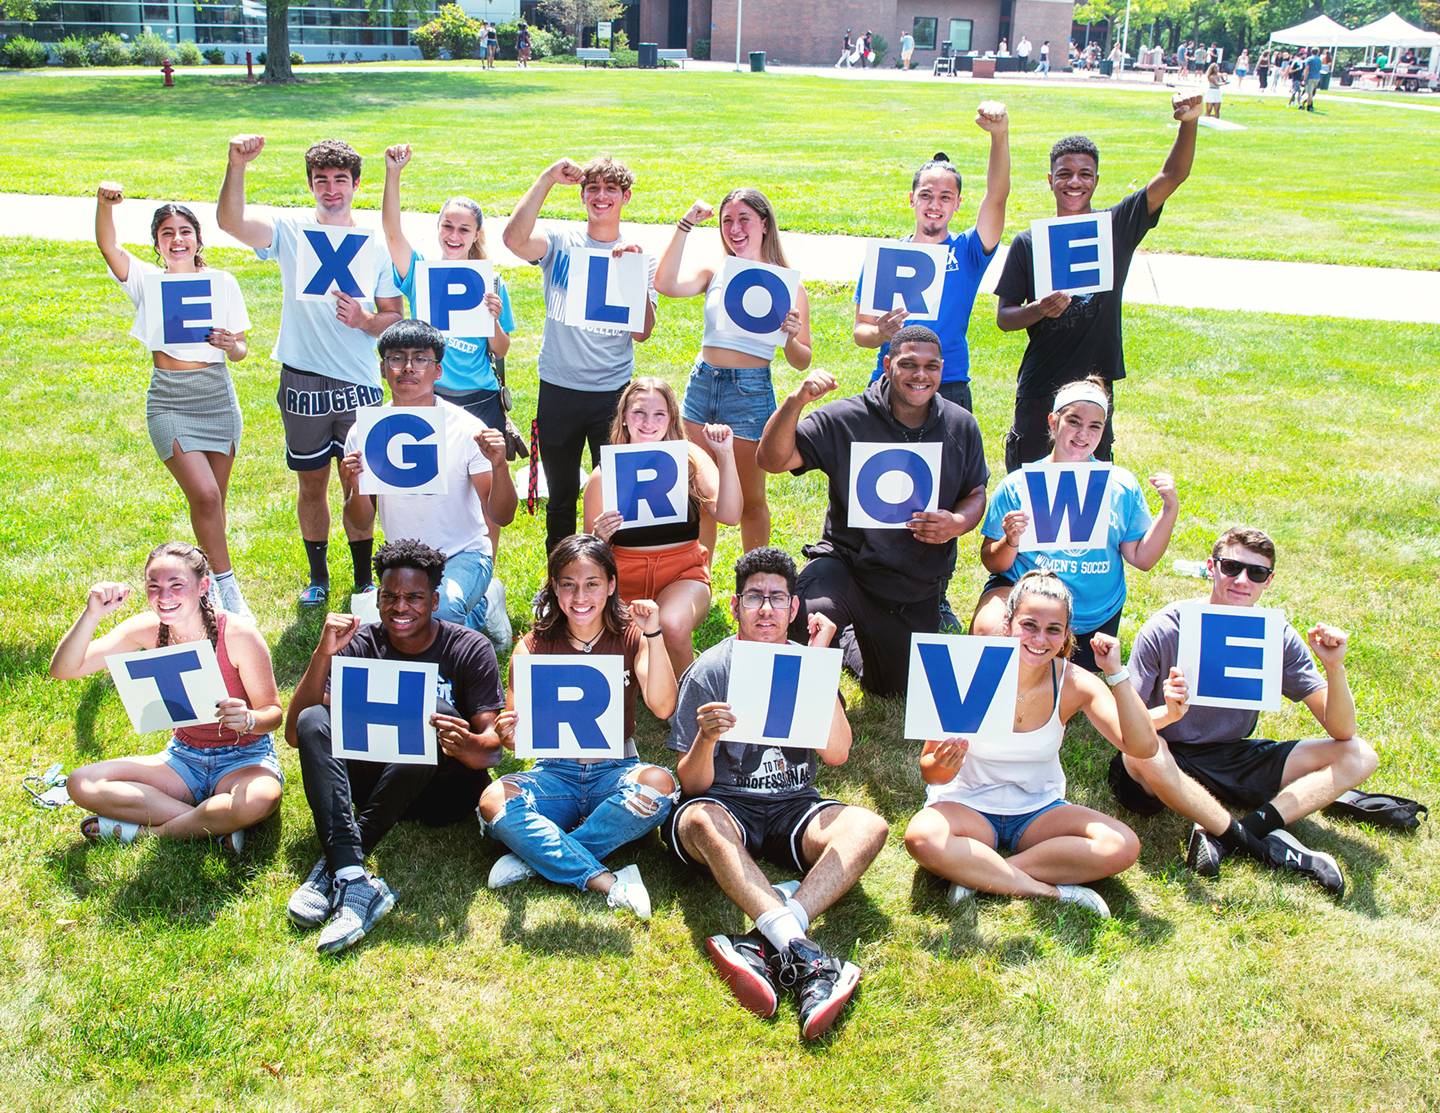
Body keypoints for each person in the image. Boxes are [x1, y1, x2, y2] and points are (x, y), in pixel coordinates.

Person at [667, 547, 888, 1039]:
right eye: (753, 598)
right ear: (734, 606)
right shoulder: (710, 670)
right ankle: (806, 954)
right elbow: (691, 785)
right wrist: (706, 738)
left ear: (793, 609)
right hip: (726, 804)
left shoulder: (806, 663)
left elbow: (837, 755)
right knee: (699, 819)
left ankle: (768, 938)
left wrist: (821, 668)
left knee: (870, 826)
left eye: (776, 598)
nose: (765, 608)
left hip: (793, 803)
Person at [1107, 527, 1378, 896]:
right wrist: (1169, 714)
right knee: (1141, 756)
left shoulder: (1275, 635)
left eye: (1256, 573)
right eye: (1231, 567)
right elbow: (1127, 731)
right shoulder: (1166, 628)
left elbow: (1342, 730)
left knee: (1359, 754)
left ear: (1269, 581)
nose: (1241, 580)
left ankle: (1242, 829)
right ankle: (1259, 847)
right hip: (1164, 752)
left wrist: (1335, 668)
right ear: (1211, 567)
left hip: (1232, 754)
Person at [285, 539, 505, 953]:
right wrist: (323, 653)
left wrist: (465, 742)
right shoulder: (363, 643)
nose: (400, 607)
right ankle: (351, 874)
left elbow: (491, 749)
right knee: (316, 718)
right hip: (373, 782)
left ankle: (333, 865)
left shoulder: (468, 647)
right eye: (390, 596)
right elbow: (297, 733)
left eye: (414, 597)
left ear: (435, 600)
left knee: (428, 710)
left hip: (442, 790)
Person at [905, 571, 1158, 917]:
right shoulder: (963, 668)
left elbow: (1142, 746)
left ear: (1067, 634)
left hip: (1039, 811)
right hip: (967, 806)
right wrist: (944, 764)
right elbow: (931, 773)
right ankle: (1048, 892)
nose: (1040, 639)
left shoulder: (1075, 682)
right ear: (1008, 623)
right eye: (1029, 625)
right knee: (921, 837)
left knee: (1123, 845)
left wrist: (1116, 674)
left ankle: (979, 873)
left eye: (1053, 629)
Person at [218, 136, 403, 606]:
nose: (331, 189)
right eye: (321, 180)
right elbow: (230, 222)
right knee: (311, 481)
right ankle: (318, 575)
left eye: (341, 179)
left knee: (359, 480)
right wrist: (236, 164)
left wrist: (364, 321)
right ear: (310, 185)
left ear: (357, 184)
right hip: (301, 375)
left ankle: (364, 577)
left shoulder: (373, 244)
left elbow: (394, 315)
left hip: (359, 380)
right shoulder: (290, 231)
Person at [757, 325, 988, 697]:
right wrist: (795, 401)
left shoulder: (960, 424)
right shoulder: (848, 417)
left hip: (913, 579)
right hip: (846, 564)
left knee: (895, 690)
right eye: (908, 364)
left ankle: (850, 638)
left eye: (931, 367)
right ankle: (813, 696)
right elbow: (771, 459)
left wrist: (957, 522)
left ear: (942, 370)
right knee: (804, 614)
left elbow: (976, 492)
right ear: (887, 365)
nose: (920, 375)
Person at [993, 93, 1203, 472]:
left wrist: (1188, 122)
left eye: (1085, 174)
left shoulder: (1114, 227)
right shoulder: (1029, 242)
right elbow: (1005, 316)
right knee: (1031, 483)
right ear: (1049, 180)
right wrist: (1038, 310)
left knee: (1088, 491)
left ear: (1096, 180)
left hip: (1096, 384)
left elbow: (1173, 176)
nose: (1075, 182)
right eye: (1064, 174)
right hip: (1041, 386)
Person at [477, 534, 678, 921]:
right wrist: (508, 731)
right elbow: (514, 727)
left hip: (615, 767)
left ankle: (539, 858)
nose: (579, 597)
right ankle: (605, 880)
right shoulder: (532, 647)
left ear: (611, 585)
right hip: (556, 772)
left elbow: (664, 704)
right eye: (568, 585)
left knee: (659, 787)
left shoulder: (630, 637)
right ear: (554, 587)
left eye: (592, 584)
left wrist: (654, 634)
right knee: (494, 801)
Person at [49, 542, 283, 849]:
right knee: (81, 783)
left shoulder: (238, 634)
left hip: (244, 758)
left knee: (259, 800)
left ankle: (149, 834)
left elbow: (274, 714)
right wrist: (92, 614)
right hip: (183, 758)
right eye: (154, 586)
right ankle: (213, 825)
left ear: (203, 587)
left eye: (177, 585)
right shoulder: (146, 629)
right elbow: (64, 669)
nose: (164, 597)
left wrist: (250, 718)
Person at [94, 185, 254, 617]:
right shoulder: (148, 281)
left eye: (185, 231)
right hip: (170, 400)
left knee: (214, 503)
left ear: (199, 240)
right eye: (167, 233)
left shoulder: (222, 282)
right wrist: (105, 206)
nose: (177, 239)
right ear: (158, 243)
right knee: (203, 496)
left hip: (217, 397)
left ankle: (202, 586)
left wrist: (229, 344)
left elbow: (240, 350)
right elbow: (108, 245)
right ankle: (226, 589)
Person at [501, 155, 658, 554]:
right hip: (559, 386)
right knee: (562, 496)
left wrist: (634, 273)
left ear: (626, 196)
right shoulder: (561, 242)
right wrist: (547, 178)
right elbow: (513, 240)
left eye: (610, 189)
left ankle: (607, 572)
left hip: (611, 391)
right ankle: (559, 578)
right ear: (582, 195)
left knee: (612, 496)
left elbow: (642, 332)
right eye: (592, 188)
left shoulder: (640, 253)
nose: (600, 197)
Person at [972, 377, 1177, 671]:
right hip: (1029, 602)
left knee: (1065, 686)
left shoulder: (1120, 485)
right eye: (1074, 422)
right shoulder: (1019, 485)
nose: (1083, 434)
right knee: (989, 632)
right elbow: (994, 564)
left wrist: (1169, 509)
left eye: (1095, 426)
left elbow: (1142, 559)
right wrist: (1011, 540)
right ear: (1053, 422)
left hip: (1093, 615)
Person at [655, 188, 812, 552]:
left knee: (751, 499)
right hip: (703, 384)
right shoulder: (716, 272)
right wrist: (685, 225)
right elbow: (664, 284)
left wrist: (790, 337)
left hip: (750, 390)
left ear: (764, 224)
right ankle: (700, 578)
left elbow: (801, 358)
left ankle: (755, 579)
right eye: (727, 220)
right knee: (699, 492)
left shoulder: (789, 284)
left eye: (744, 219)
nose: (735, 228)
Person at [341, 320, 517, 636]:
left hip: (463, 555)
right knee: (399, 626)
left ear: (437, 371)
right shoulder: (365, 433)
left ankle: (484, 603)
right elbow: (359, 521)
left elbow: (502, 515)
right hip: (405, 560)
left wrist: (500, 467)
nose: (408, 367)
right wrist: (354, 487)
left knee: (442, 611)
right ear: (383, 368)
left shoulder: (467, 428)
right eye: (397, 358)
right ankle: (472, 609)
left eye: (421, 358)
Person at [853, 104, 1010, 415]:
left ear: (958, 204)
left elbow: (997, 196)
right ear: (911, 199)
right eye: (926, 195)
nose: (934, 205)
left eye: (945, 197)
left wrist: (999, 136)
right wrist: (882, 333)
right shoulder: (887, 256)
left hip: (947, 381)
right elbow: (862, 331)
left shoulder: (968, 251)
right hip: (891, 379)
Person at [582, 377, 739, 676]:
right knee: (633, 648)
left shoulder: (692, 459)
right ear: (624, 418)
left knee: (673, 624)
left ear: (671, 419)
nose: (648, 422)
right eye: (639, 412)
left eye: (659, 414)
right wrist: (598, 537)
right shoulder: (604, 475)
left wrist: (726, 454)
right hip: (623, 580)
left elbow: (730, 515)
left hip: (682, 573)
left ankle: (687, 698)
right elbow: (589, 556)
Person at [381, 144, 513, 434]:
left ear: (476, 234)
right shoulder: (420, 273)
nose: (454, 236)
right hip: (431, 393)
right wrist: (393, 174)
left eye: (464, 229)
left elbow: (501, 349)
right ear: (438, 227)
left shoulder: (491, 281)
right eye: (447, 226)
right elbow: (392, 233)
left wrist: (492, 321)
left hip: (480, 396)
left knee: (485, 476)